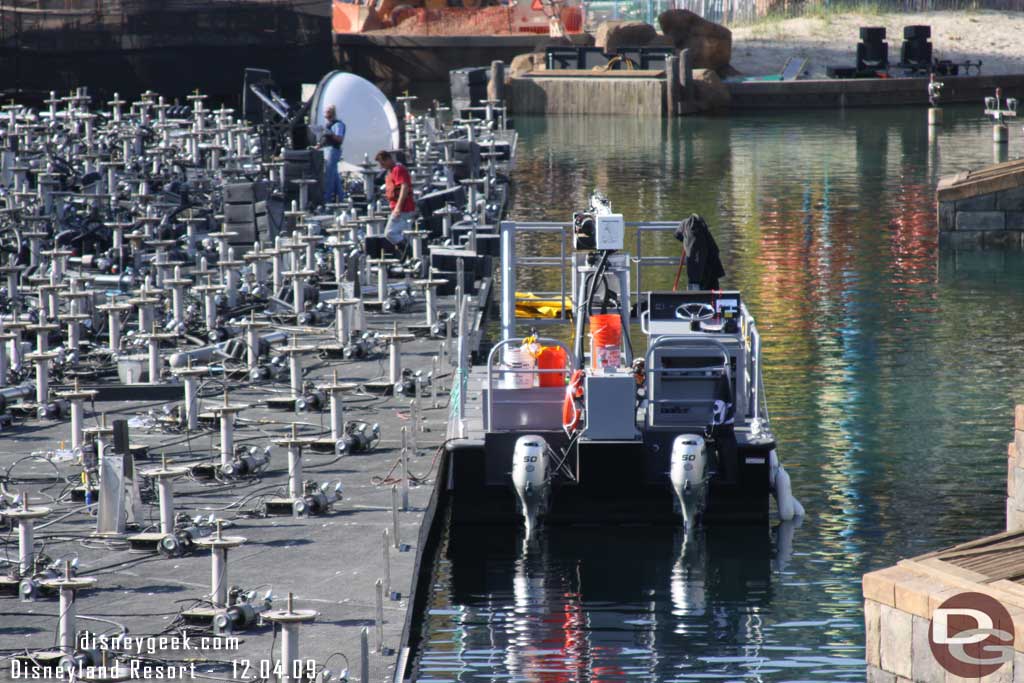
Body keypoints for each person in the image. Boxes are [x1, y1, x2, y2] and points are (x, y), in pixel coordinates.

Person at [376, 149, 416, 251]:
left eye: (383, 163)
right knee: (402, 233)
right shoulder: (390, 172)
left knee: (390, 233)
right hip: (399, 209)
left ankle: (409, 250)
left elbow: (404, 187)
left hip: (403, 209)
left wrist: (398, 207)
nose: (382, 166)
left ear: (388, 159)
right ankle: (409, 253)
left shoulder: (398, 169)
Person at [321, 105, 346, 204]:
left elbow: (339, 139)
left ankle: (327, 199)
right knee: (334, 174)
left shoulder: (338, 125)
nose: (326, 114)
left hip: (333, 150)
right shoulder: (328, 125)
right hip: (326, 149)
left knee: (329, 175)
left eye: (328, 111)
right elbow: (324, 140)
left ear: (332, 113)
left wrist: (330, 134)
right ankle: (340, 197)